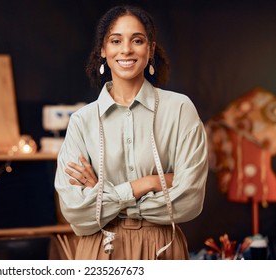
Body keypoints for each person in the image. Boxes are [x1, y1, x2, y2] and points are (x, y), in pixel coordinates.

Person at [54, 5, 208, 260]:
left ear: (150, 48)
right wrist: (146, 184)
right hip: (99, 250)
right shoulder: (83, 121)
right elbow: (75, 210)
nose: (126, 49)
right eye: (116, 41)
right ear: (103, 50)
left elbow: (188, 201)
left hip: (161, 248)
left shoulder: (180, 109)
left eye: (137, 40)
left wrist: (106, 197)